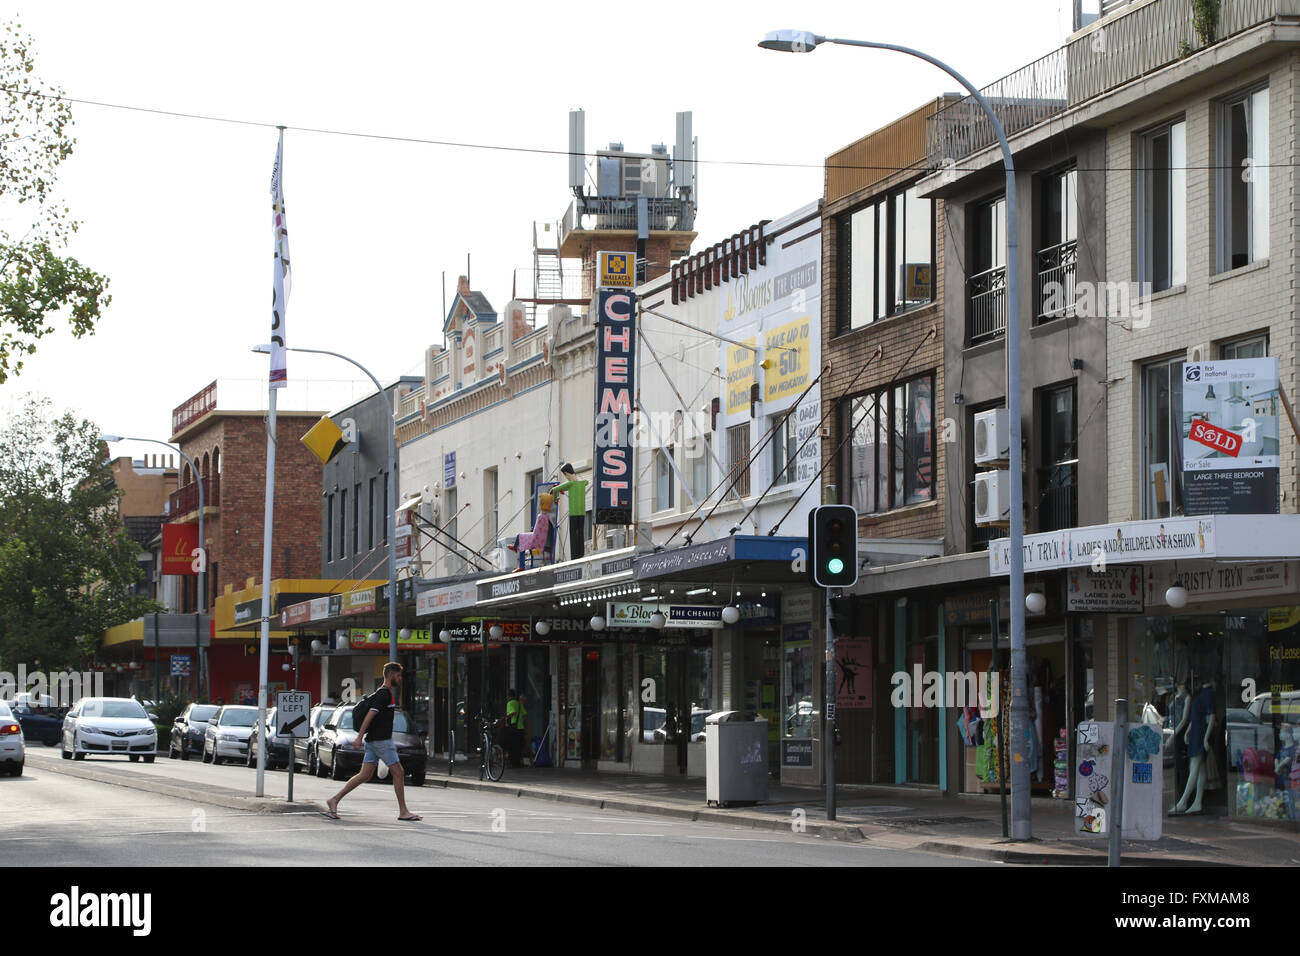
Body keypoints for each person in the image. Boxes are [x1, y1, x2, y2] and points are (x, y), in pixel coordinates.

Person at [323, 662, 421, 822]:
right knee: (399, 772)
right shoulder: (384, 693)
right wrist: (359, 737)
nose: (400, 679)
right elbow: (370, 715)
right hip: (381, 741)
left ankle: (334, 799)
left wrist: (362, 738)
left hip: (374, 741)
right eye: (398, 676)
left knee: (365, 774)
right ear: (390, 675)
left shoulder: (383, 693)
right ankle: (403, 811)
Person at [551, 463, 589, 561]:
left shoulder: (570, 484)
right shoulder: (583, 483)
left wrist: (556, 499)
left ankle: (574, 557)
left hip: (573, 513)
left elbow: (554, 489)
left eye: (565, 475)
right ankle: (581, 554)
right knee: (580, 533)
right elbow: (586, 482)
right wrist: (563, 489)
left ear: (567, 473)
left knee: (573, 534)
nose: (566, 477)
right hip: (582, 513)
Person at [505, 690, 528, 768]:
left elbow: (513, 712)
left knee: (511, 746)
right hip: (521, 728)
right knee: (519, 747)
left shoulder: (509, 703)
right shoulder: (519, 704)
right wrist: (520, 721)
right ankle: (518, 763)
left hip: (513, 728)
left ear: (509, 696)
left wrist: (506, 717)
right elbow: (525, 715)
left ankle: (512, 763)